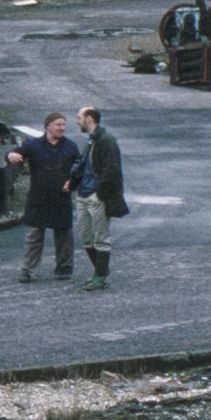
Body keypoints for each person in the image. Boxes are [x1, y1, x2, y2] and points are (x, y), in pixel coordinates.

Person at [6, 111, 80, 282]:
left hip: (61, 198)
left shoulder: (71, 146)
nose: (62, 128)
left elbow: (80, 167)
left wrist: (73, 182)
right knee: (34, 236)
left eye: (64, 125)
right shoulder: (33, 145)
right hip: (38, 198)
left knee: (64, 236)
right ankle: (28, 271)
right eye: (58, 125)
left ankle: (64, 269)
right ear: (48, 126)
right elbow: (14, 154)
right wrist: (10, 155)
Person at [71, 106, 130, 290]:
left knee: (101, 237)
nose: (77, 121)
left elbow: (111, 171)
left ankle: (99, 276)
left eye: (79, 117)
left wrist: (99, 193)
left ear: (89, 118)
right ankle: (101, 271)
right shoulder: (92, 140)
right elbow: (85, 166)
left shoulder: (106, 140)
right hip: (83, 194)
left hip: (96, 196)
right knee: (86, 238)